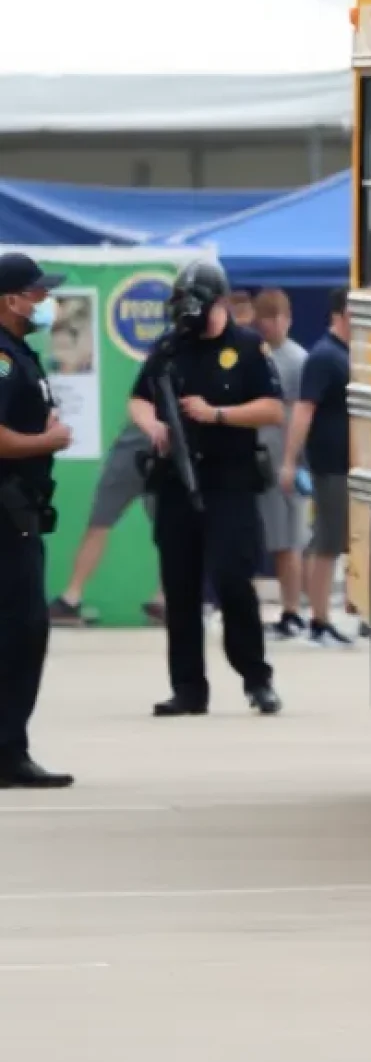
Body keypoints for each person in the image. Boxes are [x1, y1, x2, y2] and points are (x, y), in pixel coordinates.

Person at [128, 259, 284, 718]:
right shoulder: (171, 347)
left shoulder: (249, 347)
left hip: (229, 482)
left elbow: (273, 410)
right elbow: (138, 397)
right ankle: (188, 689)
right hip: (176, 482)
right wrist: (153, 425)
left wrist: (216, 413)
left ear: (218, 302)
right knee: (181, 590)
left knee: (234, 582)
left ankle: (256, 679)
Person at [0, 254, 76, 787]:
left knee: (21, 630)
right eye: (37, 293)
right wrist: (45, 441)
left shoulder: (17, 354)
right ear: (10, 300)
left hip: (19, 508)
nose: (45, 302)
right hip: (6, 513)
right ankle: (8, 753)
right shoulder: (2, 359)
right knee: (21, 631)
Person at [281, 287, 353, 647]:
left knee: (336, 540)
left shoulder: (346, 354)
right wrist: (290, 461)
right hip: (330, 465)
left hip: (347, 464)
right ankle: (319, 620)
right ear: (341, 313)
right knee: (327, 542)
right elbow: (303, 411)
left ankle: (330, 615)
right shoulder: (325, 357)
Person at [49, 422, 165, 625]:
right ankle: (70, 598)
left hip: (173, 447)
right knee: (100, 521)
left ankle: (163, 600)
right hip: (137, 444)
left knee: (173, 529)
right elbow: (138, 402)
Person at [253, 290, 310, 639]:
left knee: (288, 540)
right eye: (268, 317)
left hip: (282, 463)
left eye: (280, 317)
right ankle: (287, 609)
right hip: (258, 461)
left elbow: (299, 414)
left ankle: (292, 610)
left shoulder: (296, 359)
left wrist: (291, 460)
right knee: (272, 538)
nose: (274, 324)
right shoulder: (255, 355)